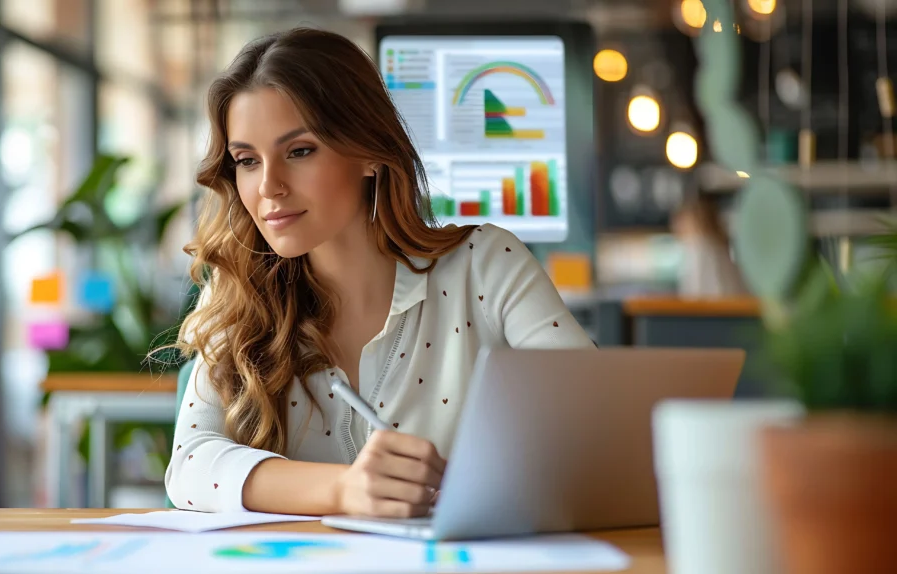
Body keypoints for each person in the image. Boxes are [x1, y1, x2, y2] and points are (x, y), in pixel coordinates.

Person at [165, 27, 595, 519]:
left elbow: (596, 422)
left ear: (368, 151)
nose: (269, 187)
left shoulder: (486, 265)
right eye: (246, 160)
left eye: (299, 151)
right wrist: (344, 490)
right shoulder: (236, 290)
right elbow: (192, 465)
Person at [671, 192, 748, 298]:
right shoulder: (720, 248)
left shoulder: (699, 248)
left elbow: (694, 296)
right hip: (734, 311)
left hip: (713, 312)